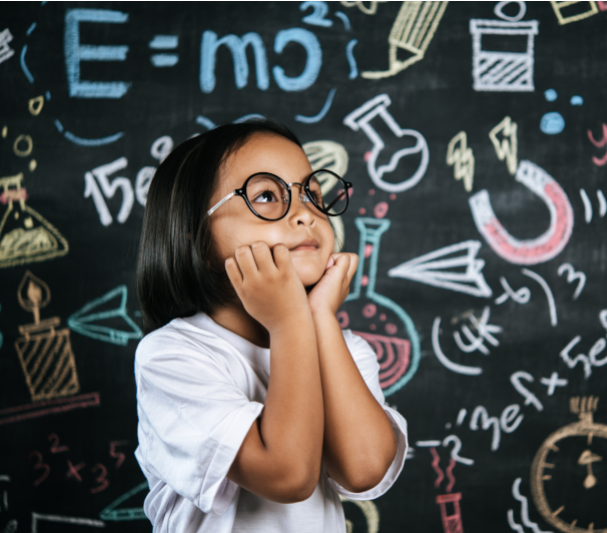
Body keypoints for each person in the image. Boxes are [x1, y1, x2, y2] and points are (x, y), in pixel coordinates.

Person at [133, 119, 407, 532]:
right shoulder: (171, 355)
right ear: (196, 239)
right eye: (266, 195)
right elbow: (287, 474)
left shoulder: (345, 350)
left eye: (313, 194)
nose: (305, 214)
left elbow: (364, 468)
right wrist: (289, 320)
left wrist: (318, 319)